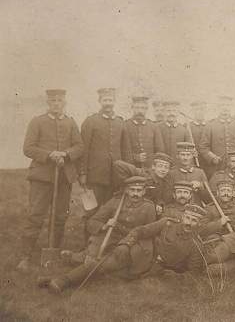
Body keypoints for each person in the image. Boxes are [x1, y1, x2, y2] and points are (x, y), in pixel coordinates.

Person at [38, 176, 157, 293]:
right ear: (126, 190)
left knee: (100, 265)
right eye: (132, 190)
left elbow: (147, 233)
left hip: (131, 246)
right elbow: (93, 221)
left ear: (144, 191)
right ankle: (73, 262)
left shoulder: (149, 207)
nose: (135, 194)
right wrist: (105, 225)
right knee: (94, 261)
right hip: (110, 239)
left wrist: (125, 236)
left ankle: (62, 280)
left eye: (139, 190)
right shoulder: (115, 202)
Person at [18, 89, 84, 271]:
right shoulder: (37, 121)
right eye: (53, 100)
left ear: (64, 102)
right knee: (35, 215)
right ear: (48, 102)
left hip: (63, 178)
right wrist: (49, 155)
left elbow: (80, 146)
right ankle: (25, 256)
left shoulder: (71, 123)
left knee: (60, 217)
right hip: (41, 177)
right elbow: (28, 148)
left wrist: (66, 154)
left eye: (60, 100)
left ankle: (53, 253)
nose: (56, 103)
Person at [79, 88, 128, 207]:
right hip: (95, 174)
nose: (108, 103)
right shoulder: (91, 121)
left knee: (111, 208)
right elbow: (83, 149)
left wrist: (126, 173)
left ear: (114, 102)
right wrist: (83, 173)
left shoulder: (120, 122)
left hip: (115, 175)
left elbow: (126, 150)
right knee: (92, 208)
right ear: (100, 101)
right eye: (105, 100)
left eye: (110, 100)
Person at [201, 180, 235, 267]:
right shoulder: (209, 208)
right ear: (217, 193)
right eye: (223, 191)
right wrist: (219, 223)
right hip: (214, 241)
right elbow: (202, 229)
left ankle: (223, 267)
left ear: (233, 193)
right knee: (215, 255)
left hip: (233, 241)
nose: (226, 193)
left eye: (228, 191)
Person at [199, 96, 235, 176]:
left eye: (228, 105)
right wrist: (212, 158)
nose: (225, 108)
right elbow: (203, 147)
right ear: (218, 107)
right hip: (216, 167)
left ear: (231, 107)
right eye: (222, 105)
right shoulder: (210, 125)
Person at [123, 96, 164, 168]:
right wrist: (135, 157)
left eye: (143, 108)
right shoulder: (125, 125)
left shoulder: (153, 126)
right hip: (131, 167)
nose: (140, 111)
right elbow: (123, 149)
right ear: (132, 108)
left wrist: (155, 164)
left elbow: (160, 150)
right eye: (137, 108)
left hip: (150, 167)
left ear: (146, 109)